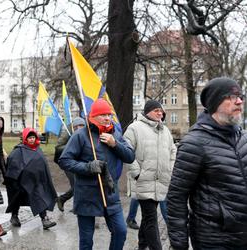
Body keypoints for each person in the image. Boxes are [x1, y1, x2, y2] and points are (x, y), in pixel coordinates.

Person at [167, 77, 247, 250]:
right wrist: (179, 243)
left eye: (241, 96)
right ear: (214, 103)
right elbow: (177, 197)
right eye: (232, 97)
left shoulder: (244, 137)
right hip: (215, 239)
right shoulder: (194, 143)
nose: (240, 101)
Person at [59, 98, 135, 250]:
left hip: (110, 193)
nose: (107, 118)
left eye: (109, 114)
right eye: (103, 115)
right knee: (86, 240)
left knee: (120, 231)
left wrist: (115, 144)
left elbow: (130, 156)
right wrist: (88, 167)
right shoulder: (80, 135)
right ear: (93, 116)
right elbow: (65, 160)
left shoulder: (116, 133)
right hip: (87, 194)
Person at [124, 100, 176, 250]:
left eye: (161, 111)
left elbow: (173, 151)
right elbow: (127, 152)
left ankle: (141, 246)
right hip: (143, 182)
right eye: (156, 110)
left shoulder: (164, 130)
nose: (160, 113)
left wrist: (170, 169)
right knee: (151, 219)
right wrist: (136, 173)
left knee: (147, 218)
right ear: (147, 112)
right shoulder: (134, 128)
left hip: (161, 182)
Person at [5, 127, 57, 229]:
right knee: (17, 198)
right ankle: (14, 216)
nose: (32, 139)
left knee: (39, 197)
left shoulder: (38, 149)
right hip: (21, 182)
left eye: (33, 137)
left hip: (36, 181)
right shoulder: (19, 150)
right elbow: (12, 163)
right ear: (25, 138)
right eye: (29, 138)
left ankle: (44, 219)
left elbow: (42, 165)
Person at [54, 117, 85, 212]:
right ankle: (65, 200)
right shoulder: (67, 133)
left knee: (79, 183)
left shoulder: (84, 134)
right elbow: (58, 147)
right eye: (77, 126)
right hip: (66, 161)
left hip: (78, 162)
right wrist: (71, 144)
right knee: (76, 183)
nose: (80, 127)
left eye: (82, 125)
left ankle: (69, 202)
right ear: (73, 127)